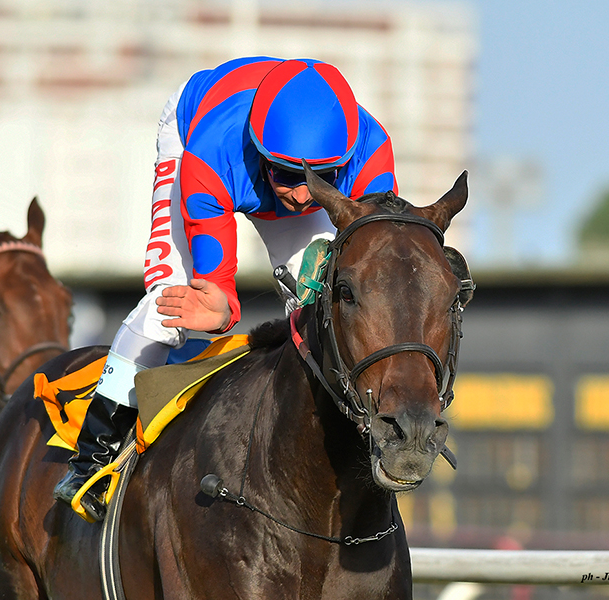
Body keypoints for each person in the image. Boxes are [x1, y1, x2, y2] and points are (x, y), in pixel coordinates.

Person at [53, 56, 399, 519]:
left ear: (345, 159)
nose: (301, 195)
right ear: (261, 154)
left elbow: (376, 269)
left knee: (323, 304)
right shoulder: (213, 152)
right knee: (169, 308)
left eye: (319, 178)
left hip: (262, 148)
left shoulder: (372, 154)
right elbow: (213, 283)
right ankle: (91, 459)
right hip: (193, 132)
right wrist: (221, 304)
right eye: (286, 174)